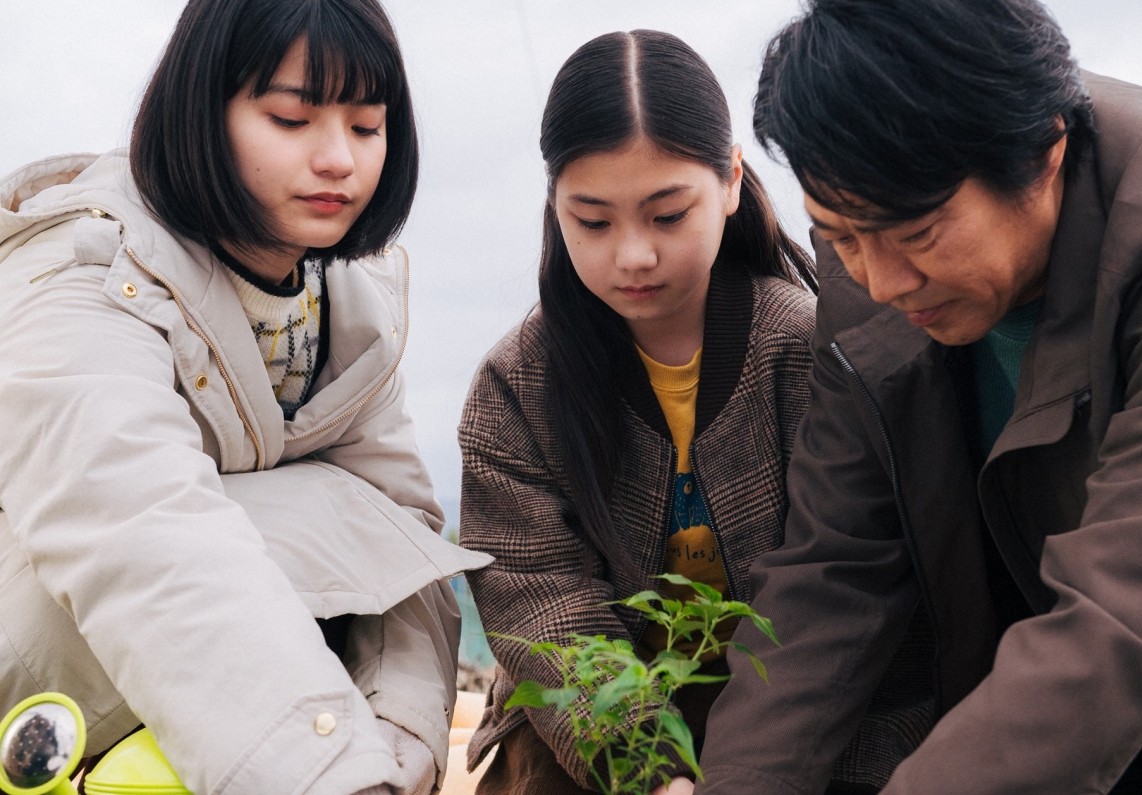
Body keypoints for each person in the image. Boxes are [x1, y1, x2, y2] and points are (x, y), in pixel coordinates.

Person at [687, 0, 1142, 793]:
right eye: (842, 234)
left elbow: (1127, 613)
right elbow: (835, 566)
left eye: (919, 234)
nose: (884, 281)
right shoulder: (868, 259)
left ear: (1044, 153)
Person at [0, 0, 490, 792]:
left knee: (364, 511)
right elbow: (140, 534)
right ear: (202, 109)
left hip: (197, 692)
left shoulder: (352, 306)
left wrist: (401, 733)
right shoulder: (83, 271)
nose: (339, 159)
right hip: (37, 683)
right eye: (292, 119)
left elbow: (404, 537)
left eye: (366, 127)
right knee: (328, 500)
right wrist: (332, 775)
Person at [455, 29, 820, 795]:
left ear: (728, 181)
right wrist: (647, 771)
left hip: (799, 720)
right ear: (555, 205)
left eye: (666, 214)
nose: (634, 256)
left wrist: (747, 770)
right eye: (593, 221)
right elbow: (542, 606)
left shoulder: (808, 348)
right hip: (596, 732)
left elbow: (835, 587)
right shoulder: (515, 387)